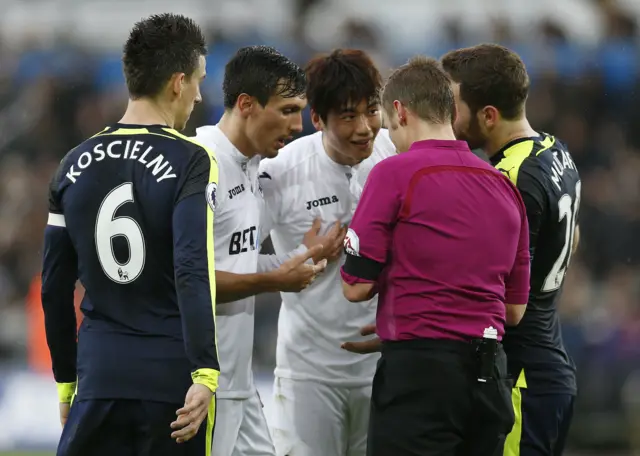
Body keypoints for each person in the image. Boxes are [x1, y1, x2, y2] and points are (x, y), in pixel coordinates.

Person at [41, 14, 219, 456]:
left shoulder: (72, 164)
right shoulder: (191, 159)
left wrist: (67, 382)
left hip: (99, 379)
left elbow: (54, 288)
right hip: (169, 382)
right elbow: (192, 267)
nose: (198, 95)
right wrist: (205, 371)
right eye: (197, 81)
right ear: (178, 82)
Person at [340, 56, 531, 456]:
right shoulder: (503, 185)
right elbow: (513, 310)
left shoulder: (394, 173)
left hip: (420, 375)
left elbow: (356, 286)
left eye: (391, 129)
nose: (392, 139)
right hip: (490, 374)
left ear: (399, 111)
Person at [192, 45, 333, 456]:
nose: (298, 124)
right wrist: (276, 279)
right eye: (288, 110)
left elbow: (236, 260)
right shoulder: (201, 163)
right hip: (198, 383)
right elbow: (188, 281)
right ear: (247, 104)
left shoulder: (253, 166)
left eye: (300, 110)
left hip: (237, 382)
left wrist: (299, 258)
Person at [441, 43, 581, 456]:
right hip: (549, 366)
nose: (446, 117)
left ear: (488, 115)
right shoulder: (556, 151)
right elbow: (571, 239)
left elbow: (497, 297)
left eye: (453, 105)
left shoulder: (507, 179)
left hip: (521, 378)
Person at [258, 49, 396, 456]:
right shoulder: (280, 172)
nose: (364, 128)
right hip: (308, 371)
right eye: (348, 116)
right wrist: (300, 256)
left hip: (385, 367)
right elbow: (236, 258)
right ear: (317, 119)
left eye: (371, 111)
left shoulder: (399, 156)